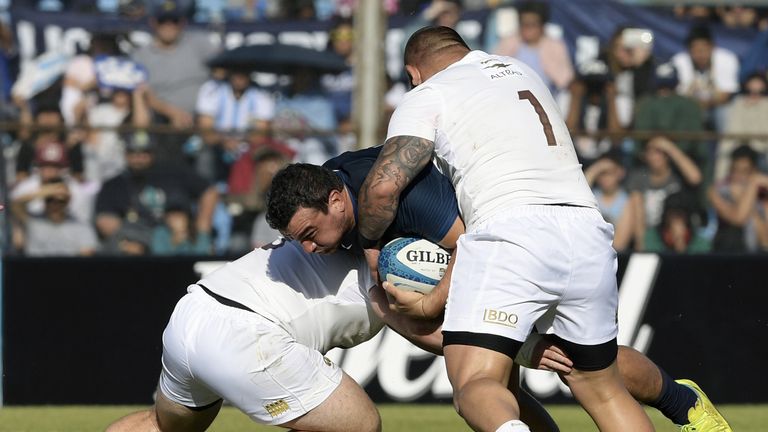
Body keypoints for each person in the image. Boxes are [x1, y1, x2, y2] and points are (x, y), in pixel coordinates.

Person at [267, 147, 732, 431]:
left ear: (335, 201)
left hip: (514, 247)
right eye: (297, 241)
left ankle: (684, 403)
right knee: (487, 383)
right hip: (470, 265)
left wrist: (525, 343)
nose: (307, 249)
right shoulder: (328, 194)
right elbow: (400, 314)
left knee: (580, 364)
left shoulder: (404, 196)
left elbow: (474, 242)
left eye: (309, 234)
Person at [356, 26, 644, 432]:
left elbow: (384, 186)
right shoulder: (521, 70)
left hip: (510, 229)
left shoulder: (426, 93)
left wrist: (370, 245)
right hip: (587, 229)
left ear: (413, 72)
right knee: (605, 390)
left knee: (476, 381)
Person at [106, 238, 443, 432]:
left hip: (192, 312)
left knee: (162, 426)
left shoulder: (346, 232)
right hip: (247, 334)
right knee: (360, 425)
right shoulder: (389, 275)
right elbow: (432, 334)